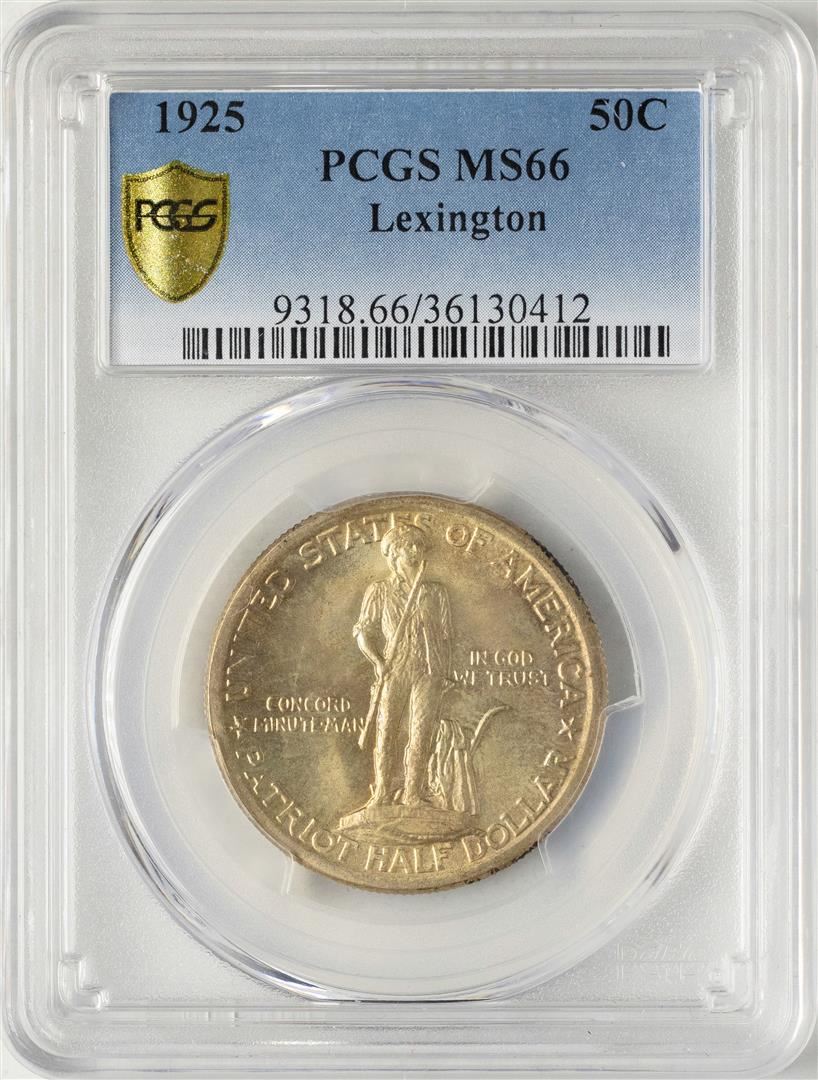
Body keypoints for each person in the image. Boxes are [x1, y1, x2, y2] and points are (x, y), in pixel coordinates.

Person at [354, 523, 452, 808]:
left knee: (421, 731)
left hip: (428, 669)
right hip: (394, 667)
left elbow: (446, 637)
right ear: (394, 551)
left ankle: (413, 793)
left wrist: (444, 673)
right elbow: (362, 631)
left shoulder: (436, 593)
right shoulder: (380, 590)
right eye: (410, 545)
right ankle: (382, 792)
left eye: (418, 545)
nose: (416, 550)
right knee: (386, 730)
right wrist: (377, 661)